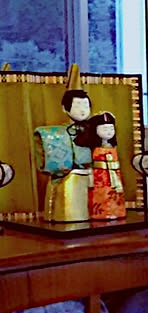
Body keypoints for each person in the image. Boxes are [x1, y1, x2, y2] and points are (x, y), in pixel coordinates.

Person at [33, 64, 93, 222]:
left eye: (86, 106)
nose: (82, 110)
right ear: (65, 109)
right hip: (66, 178)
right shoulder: (56, 133)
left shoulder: (95, 130)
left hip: (92, 177)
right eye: (77, 106)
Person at [86, 112, 127, 220]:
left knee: (115, 194)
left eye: (111, 129)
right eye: (104, 129)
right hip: (100, 176)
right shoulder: (94, 148)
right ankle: (100, 213)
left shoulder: (112, 147)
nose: (109, 132)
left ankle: (117, 212)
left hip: (114, 174)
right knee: (101, 194)